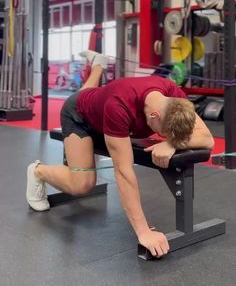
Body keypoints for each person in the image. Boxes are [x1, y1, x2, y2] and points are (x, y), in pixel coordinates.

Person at [26, 50, 214, 258]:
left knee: (91, 96)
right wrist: (143, 232)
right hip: (79, 116)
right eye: (163, 132)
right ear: (154, 116)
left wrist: (172, 142)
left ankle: (98, 65)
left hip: (100, 103)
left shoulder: (173, 96)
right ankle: (38, 171)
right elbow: (124, 172)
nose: (161, 136)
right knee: (82, 184)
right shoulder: (119, 107)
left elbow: (207, 138)